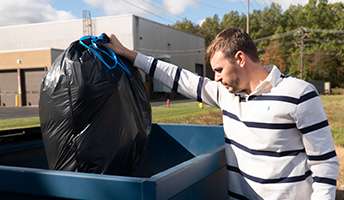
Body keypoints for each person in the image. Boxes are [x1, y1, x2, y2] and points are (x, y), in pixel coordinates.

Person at [103, 28, 339, 199]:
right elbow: (179, 78)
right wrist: (128, 54)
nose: (215, 78)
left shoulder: (299, 93)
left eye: (219, 70)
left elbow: (325, 163)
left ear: (240, 58)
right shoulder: (226, 94)